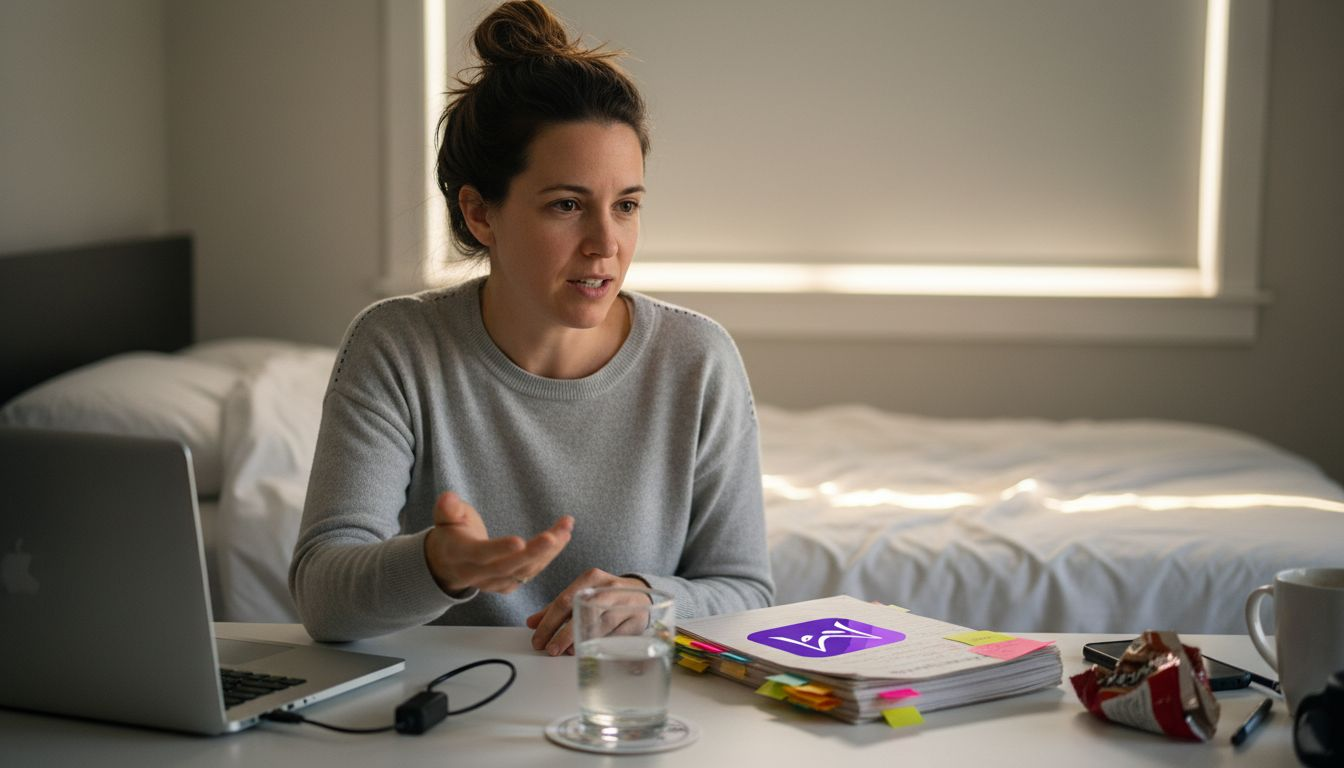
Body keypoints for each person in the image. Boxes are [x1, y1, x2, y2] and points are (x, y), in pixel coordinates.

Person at [289, 0, 773, 653]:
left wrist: (650, 597)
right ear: (481, 214)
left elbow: (746, 589)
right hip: (448, 721)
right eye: (568, 205)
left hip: (628, 722)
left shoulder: (697, 358)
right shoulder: (400, 348)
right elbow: (323, 598)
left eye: (626, 205)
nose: (606, 243)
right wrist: (438, 565)